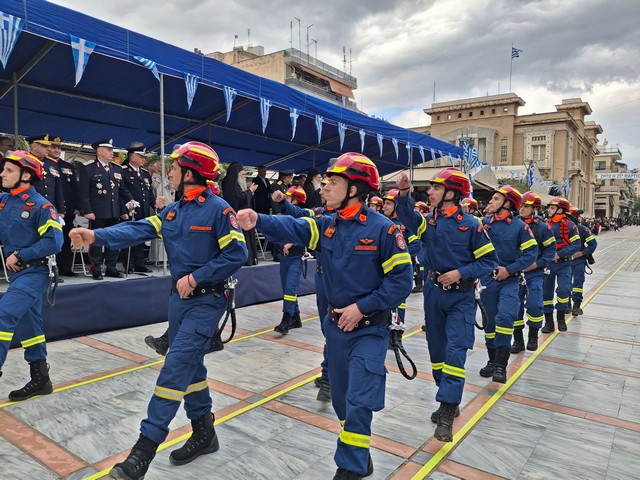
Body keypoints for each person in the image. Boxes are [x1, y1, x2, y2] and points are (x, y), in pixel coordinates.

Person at [71, 141, 247, 480]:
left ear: (191, 173)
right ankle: (204, 433)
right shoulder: (173, 211)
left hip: (206, 303)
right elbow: (136, 229)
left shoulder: (219, 210)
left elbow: (236, 254)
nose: (170, 172)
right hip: (178, 303)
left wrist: (196, 277)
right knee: (191, 369)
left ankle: (143, 452)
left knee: (174, 371)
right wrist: (95, 236)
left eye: (175, 167)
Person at [237, 152, 413, 479]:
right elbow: (294, 226)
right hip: (336, 331)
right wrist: (258, 219)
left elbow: (402, 281)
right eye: (326, 182)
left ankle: (350, 468)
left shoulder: (384, 231)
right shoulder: (326, 225)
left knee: (359, 400)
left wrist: (363, 307)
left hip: (368, 331)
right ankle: (358, 451)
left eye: (333, 182)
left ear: (355, 189)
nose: (324, 188)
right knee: (343, 403)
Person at [395, 168, 497, 443]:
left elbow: (489, 261)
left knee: (455, 352)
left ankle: (448, 409)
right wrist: (403, 192)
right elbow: (405, 215)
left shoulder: (472, 225)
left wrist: (461, 273)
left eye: (436, 188)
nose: (430, 193)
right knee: (437, 352)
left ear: (452, 193)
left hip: (461, 298)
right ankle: (446, 394)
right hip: (433, 294)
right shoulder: (429, 222)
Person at [0, 150, 63, 400]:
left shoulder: (42, 206)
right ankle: (41, 379)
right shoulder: (5, 201)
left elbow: (54, 242)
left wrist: (20, 255)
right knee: (30, 324)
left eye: (9, 170)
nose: (2, 174)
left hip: (35, 271)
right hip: (18, 274)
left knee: (3, 315)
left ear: (26, 175)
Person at [478, 186, 537, 384]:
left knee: (505, 317)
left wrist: (510, 269)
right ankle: (492, 360)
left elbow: (531, 254)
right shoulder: (485, 224)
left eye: (496, 199)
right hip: (487, 280)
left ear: (507, 203)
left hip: (510, 281)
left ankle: (501, 366)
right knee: (489, 322)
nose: (491, 201)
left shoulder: (520, 227)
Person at [77, 138, 134, 280]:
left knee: (113, 240)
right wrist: (87, 211)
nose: (111, 152)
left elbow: (121, 190)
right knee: (96, 241)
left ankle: (111, 267)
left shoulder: (117, 168)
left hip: (114, 211)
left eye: (111, 149)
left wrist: (129, 202)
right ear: (99, 151)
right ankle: (95, 268)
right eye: (108, 150)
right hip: (97, 212)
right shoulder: (88, 168)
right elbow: (83, 193)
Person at [511, 192, 556, 353]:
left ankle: (532, 336)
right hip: (515, 273)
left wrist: (536, 264)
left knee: (535, 305)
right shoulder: (513, 225)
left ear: (534, 208)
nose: (522, 209)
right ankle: (518, 340)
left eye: (526, 206)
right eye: (521, 206)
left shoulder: (543, 228)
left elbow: (550, 252)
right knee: (515, 307)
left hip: (535, 273)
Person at [381, 189, 421, 339]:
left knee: (399, 304)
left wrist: (399, 256)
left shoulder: (406, 224)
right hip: (382, 271)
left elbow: (416, 246)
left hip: (399, 272)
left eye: (388, 203)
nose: (384, 206)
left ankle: (397, 334)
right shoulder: (381, 222)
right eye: (384, 203)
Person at [541, 197, 580, 333]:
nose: (548, 210)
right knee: (546, 294)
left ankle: (561, 318)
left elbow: (576, 244)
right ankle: (549, 322)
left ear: (561, 210)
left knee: (564, 290)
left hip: (564, 264)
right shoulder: (545, 224)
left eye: (552, 208)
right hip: (548, 265)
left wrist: (560, 254)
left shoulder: (570, 225)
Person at [272, 185, 308, 334]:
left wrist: (292, 242)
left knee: (290, 288)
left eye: (288, 197)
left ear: (295, 200)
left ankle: (286, 319)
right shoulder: (284, 214)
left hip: (295, 257)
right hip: (284, 257)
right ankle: (296, 318)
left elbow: (305, 234)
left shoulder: (302, 216)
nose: (285, 199)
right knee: (287, 288)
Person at [47, 136, 80, 277]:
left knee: (66, 239)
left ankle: (65, 267)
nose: (57, 150)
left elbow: (75, 189)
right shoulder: (43, 164)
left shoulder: (68, 166)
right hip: (50, 209)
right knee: (51, 239)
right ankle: (51, 270)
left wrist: (77, 206)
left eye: (59, 148)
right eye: (53, 147)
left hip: (67, 209)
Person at [121, 142, 156, 273]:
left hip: (143, 211)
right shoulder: (123, 171)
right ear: (132, 157)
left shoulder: (145, 173)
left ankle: (139, 263)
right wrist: (124, 210)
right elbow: (121, 191)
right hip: (130, 211)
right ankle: (128, 264)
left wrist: (156, 204)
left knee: (140, 237)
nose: (144, 159)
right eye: (141, 157)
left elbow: (149, 193)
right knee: (128, 238)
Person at [221, 162, 258, 266]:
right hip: (237, 216)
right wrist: (250, 191)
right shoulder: (231, 184)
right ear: (236, 174)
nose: (244, 177)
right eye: (242, 175)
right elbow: (240, 198)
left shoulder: (231, 183)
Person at [568, 206, 597, 316]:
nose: (576, 218)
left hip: (579, 261)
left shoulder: (583, 230)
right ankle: (566, 305)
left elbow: (593, 244)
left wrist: (582, 253)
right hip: (564, 261)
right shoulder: (560, 229)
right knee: (565, 284)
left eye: (577, 216)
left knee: (578, 282)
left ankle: (576, 306)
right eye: (574, 216)